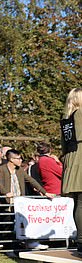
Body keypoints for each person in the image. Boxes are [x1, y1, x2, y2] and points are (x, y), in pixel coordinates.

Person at [0, 149, 55, 250]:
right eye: (18, 158)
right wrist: (5, 192)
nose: (21, 160)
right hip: (7, 203)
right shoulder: (1, 169)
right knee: (8, 226)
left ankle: (26, 244)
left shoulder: (20, 170)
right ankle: (9, 249)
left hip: (19, 203)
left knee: (22, 225)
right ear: (11, 159)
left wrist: (44, 192)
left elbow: (32, 181)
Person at [60, 88, 82, 254]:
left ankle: (80, 240)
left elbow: (63, 145)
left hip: (71, 158)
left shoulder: (66, 118)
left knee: (78, 203)